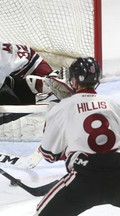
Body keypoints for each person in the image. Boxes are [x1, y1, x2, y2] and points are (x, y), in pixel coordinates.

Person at [36, 57, 120, 216]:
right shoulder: (113, 104)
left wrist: (69, 147)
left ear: (73, 81)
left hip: (84, 176)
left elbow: (49, 154)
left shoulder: (62, 108)